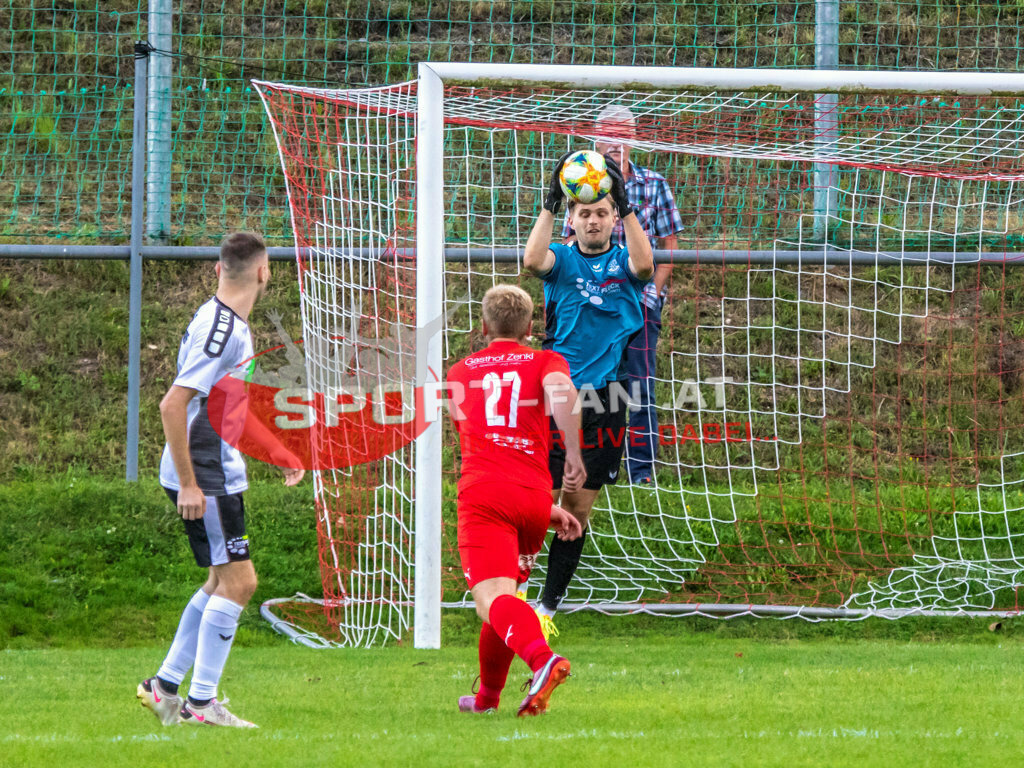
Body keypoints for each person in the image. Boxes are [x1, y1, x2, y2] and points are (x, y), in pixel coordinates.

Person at [137, 232, 305, 728]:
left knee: (218, 581)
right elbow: (173, 404)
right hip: (205, 473)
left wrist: (276, 451)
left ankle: (165, 686)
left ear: (217, 269)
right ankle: (201, 704)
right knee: (240, 582)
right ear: (264, 272)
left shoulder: (225, 322)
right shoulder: (223, 330)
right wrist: (190, 484)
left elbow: (227, 408)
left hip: (212, 469)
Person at [523, 150, 655, 632]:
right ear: (573, 220)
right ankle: (514, 592)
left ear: (613, 219)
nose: (593, 221)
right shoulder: (561, 261)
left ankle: (546, 609)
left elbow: (646, 267)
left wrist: (627, 204)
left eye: (602, 213)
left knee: (578, 507)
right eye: (585, 213)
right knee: (534, 501)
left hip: (607, 399)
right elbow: (531, 260)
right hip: (554, 397)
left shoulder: (624, 262)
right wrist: (550, 203)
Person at [448, 284, 586, 716]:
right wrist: (574, 454)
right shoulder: (544, 360)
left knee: (493, 601)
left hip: (486, 495)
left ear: (483, 326)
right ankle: (486, 699)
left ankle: (544, 662)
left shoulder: (459, 372)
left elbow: (468, 431)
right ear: (529, 328)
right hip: (532, 496)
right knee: (506, 601)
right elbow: (561, 390)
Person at [563, 105, 684, 485]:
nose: (615, 142)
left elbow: (670, 247)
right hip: (594, 308)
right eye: (608, 134)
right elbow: (567, 246)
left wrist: (651, 295)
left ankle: (641, 470)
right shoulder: (580, 185)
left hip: (639, 305)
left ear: (633, 137)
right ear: (596, 138)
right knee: (594, 386)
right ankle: (592, 462)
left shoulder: (654, 184)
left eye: (622, 133)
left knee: (640, 385)